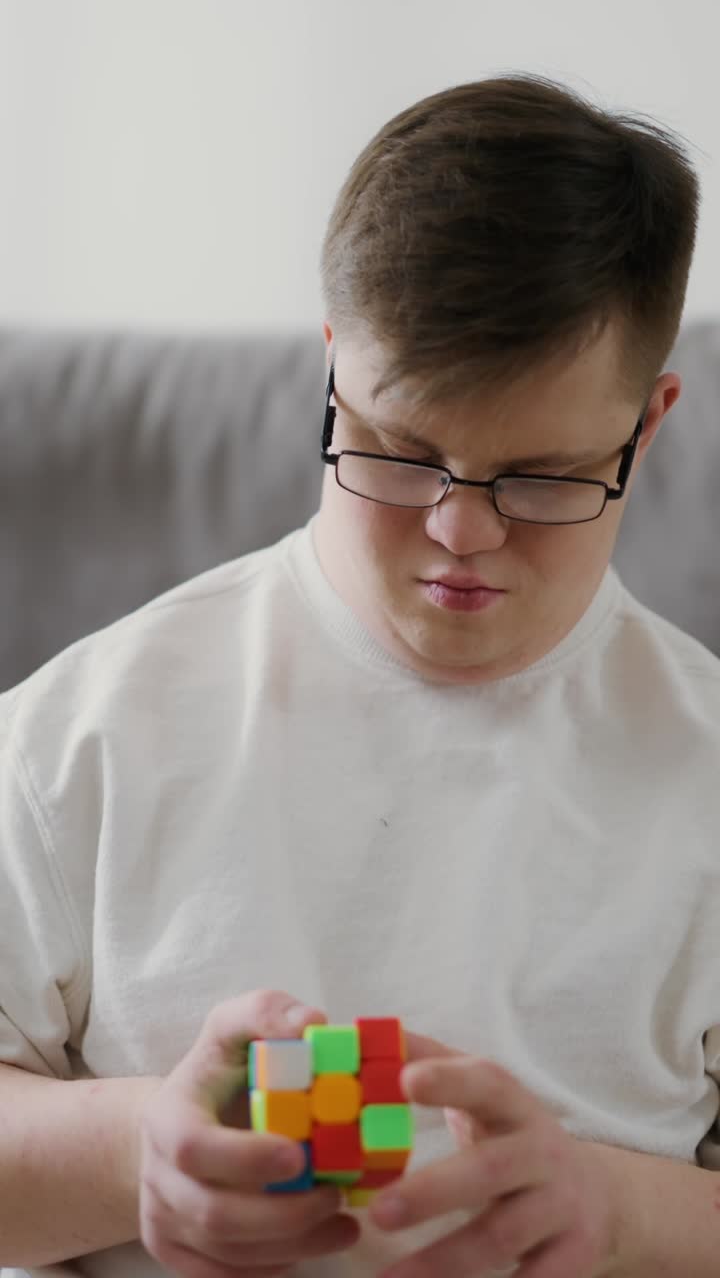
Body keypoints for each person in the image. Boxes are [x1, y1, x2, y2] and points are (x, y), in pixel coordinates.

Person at [1, 71, 718, 1278]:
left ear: (648, 425)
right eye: (399, 449)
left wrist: (622, 1210)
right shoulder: (80, 734)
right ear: (334, 369)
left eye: (540, 475)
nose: (459, 531)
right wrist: (139, 1149)